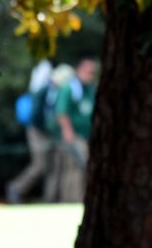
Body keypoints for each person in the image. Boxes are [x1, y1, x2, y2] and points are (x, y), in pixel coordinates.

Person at [6, 60, 54, 203]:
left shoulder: (40, 89)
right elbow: (37, 116)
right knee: (40, 165)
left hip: (40, 131)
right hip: (38, 132)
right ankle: (16, 188)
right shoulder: (41, 90)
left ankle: (50, 197)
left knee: (48, 165)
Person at [52, 58, 97, 202]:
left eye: (92, 72)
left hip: (87, 135)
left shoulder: (90, 88)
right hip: (75, 135)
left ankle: (78, 198)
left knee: (81, 168)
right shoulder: (70, 88)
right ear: (79, 70)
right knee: (73, 168)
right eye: (88, 72)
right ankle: (72, 199)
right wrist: (68, 132)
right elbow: (61, 112)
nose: (90, 75)